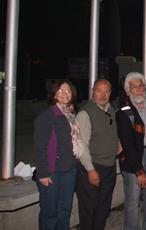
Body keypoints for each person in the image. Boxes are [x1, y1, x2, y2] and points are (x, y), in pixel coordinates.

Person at [34, 79, 83, 230]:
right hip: (52, 172)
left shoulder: (72, 114)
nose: (65, 94)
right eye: (60, 91)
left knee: (64, 211)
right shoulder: (47, 116)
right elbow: (40, 146)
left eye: (67, 90)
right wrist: (43, 173)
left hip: (70, 169)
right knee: (50, 213)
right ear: (54, 95)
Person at [75, 79, 120, 230]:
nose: (103, 95)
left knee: (103, 208)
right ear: (92, 92)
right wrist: (90, 169)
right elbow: (81, 145)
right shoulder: (85, 113)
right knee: (89, 209)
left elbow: (110, 132)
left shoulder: (110, 110)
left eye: (106, 91)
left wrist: (117, 142)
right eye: (99, 91)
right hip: (93, 168)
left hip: (109, 167)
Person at [116, 72, 146, 230]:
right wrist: (139, 171)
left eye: (140, 85)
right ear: (127, 90)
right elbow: (128, 145)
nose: (138, 89)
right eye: (133, 87)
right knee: (133, 199)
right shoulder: (124, 112)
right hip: (134, 158)